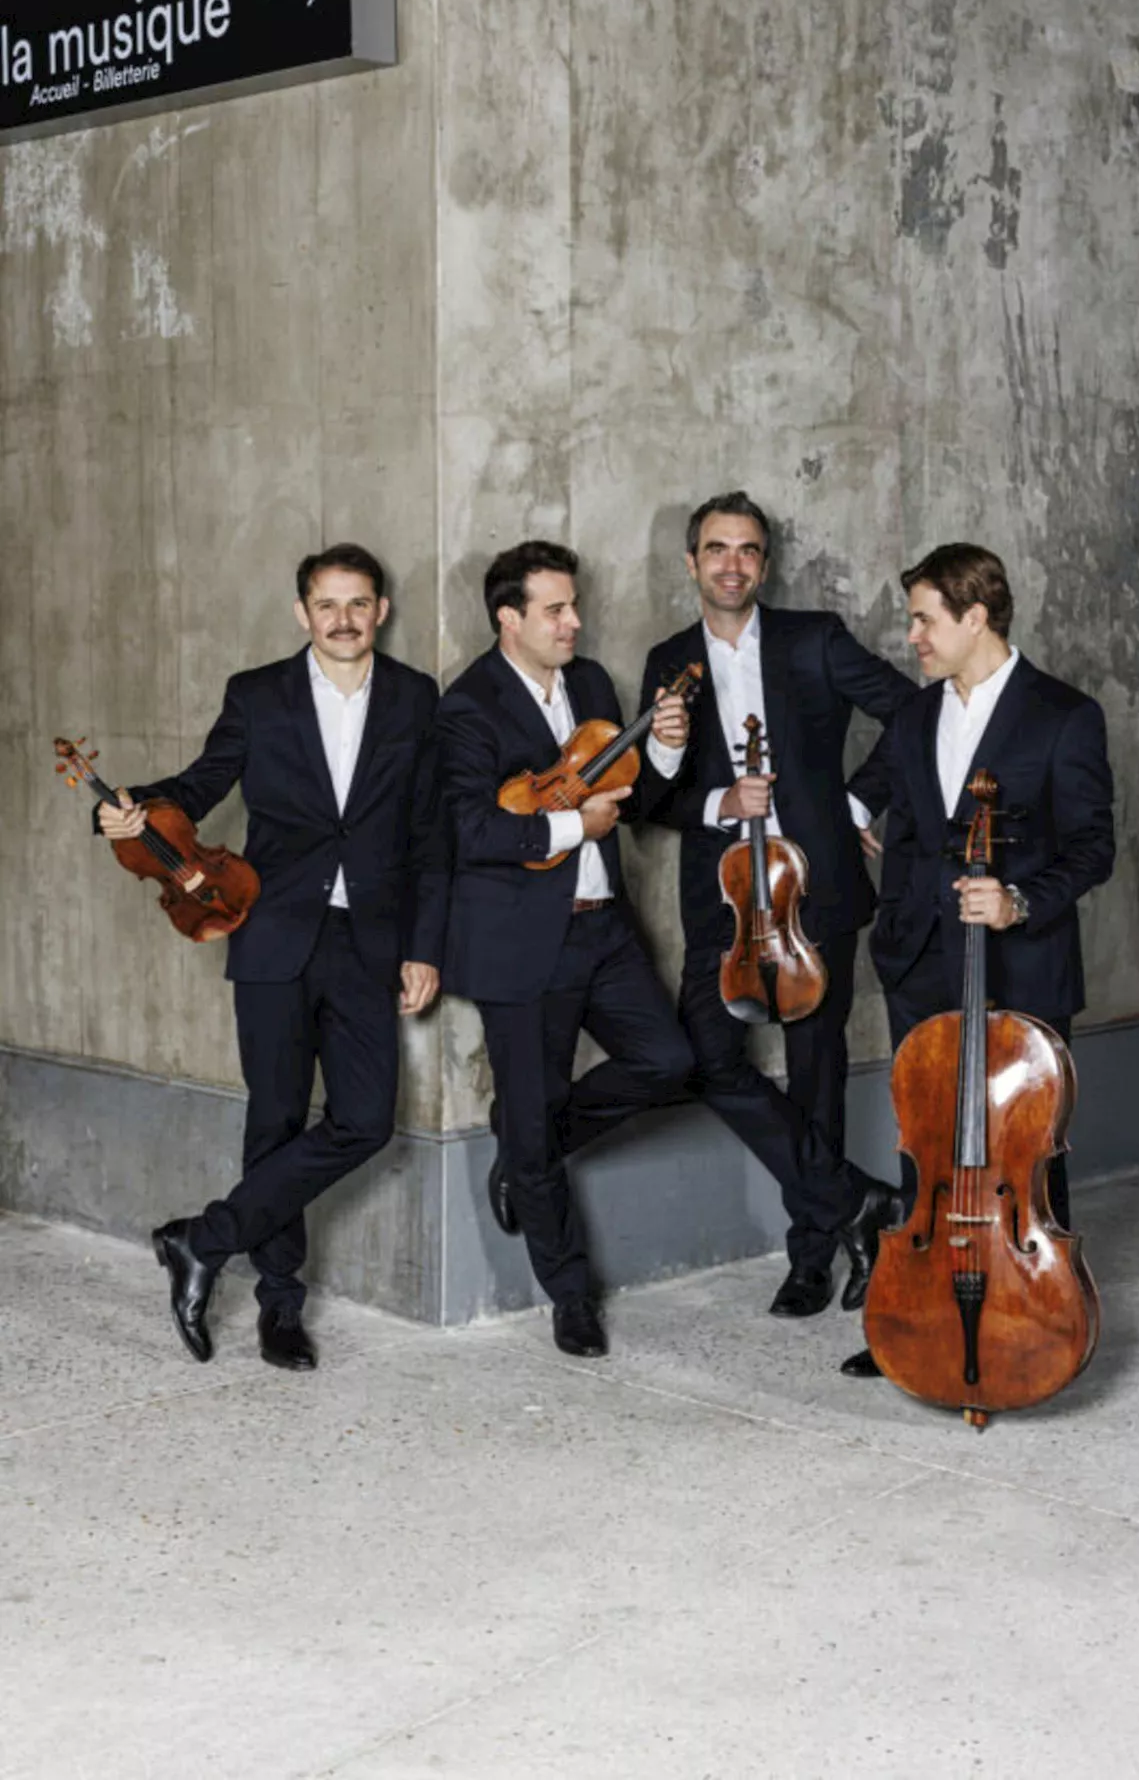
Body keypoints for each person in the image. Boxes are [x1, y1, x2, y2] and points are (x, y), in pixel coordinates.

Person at [98, 544, 449, 1371]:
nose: (343, 620)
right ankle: (280, 1309)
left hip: (370, 940)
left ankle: (202, 1239)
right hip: (272, 933)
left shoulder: (413, 698)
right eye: (327, 605)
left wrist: (425, 949)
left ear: (382, 611)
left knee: (365, 1121)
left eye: (359, 604)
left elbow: (432, 836)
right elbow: (199, 783)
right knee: (278, 1118)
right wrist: (126, 812)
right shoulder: (257, 695)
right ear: (303, 613)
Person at [639, 492, 918, 1318]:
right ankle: (855, 1205)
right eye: (717, 549)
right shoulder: (669, 661)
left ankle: (810, 1257)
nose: (733, 564)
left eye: (749, 550)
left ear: (766, 563)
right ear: (692, 563)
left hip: (813, 893)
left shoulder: (814, 641)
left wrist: (858, 805)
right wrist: (719, 802)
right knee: (710, 1059)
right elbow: (652, 798)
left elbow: (914, 711)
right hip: (722, 901)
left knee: (816, 1073)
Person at [841, 541, 1115, 1377]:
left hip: (1021, 963)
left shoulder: (1065, 715)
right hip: (920, 955)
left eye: (925, 619)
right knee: (925, 1144)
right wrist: (837, 822)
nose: (913, 636)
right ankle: (912, 1319)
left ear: (975, 617)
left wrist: (1019, 898)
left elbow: (1095, 847)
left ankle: (1044, 1323)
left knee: (1028, 1156)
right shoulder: (918, 714)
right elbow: (870, 790)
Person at [437, 542, 694, 1359]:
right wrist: (564, 827)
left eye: (573, 604)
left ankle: (524, 1144)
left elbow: (634, 798)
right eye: (555, 609)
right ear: (508, 618)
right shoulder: (467, 706)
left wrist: (666, 748)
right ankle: (570, 1295)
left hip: (603, 927)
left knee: (670, 1060)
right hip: (522, 942)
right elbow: (469, 829)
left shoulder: (589, 685)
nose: (574, 621)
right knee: (535, 1113)